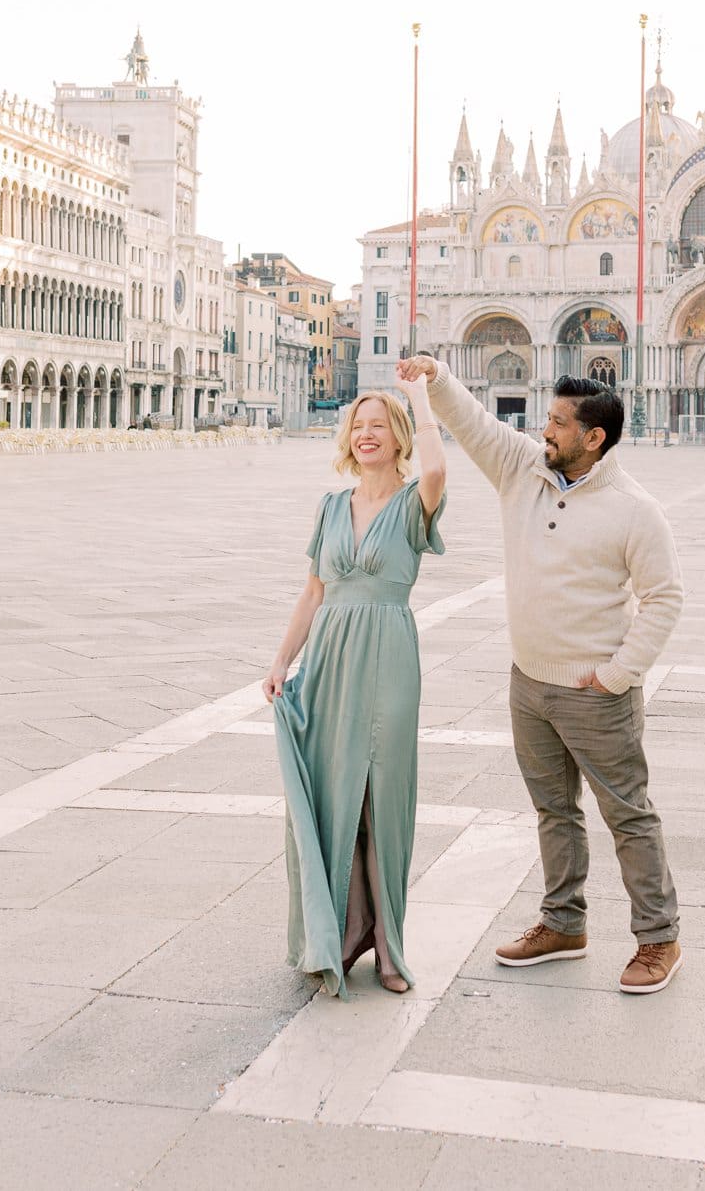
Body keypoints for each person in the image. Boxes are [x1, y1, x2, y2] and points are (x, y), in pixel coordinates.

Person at [397, 356, 684, 994]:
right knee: (553, 810)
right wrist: (437, 377)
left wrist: (618, 675)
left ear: (594, 438)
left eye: (556, 422)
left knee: (629, 816)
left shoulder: (636, 510)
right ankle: (563, 923)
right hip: (528, 683)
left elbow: (664, 597)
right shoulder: (522, 469)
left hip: (596, 695)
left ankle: (659, 939)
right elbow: (471, 424)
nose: (542, 429)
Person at [263, 380, 445, 997]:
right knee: (335, 798)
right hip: (329, 662)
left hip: (390, 652)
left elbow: (439, 461)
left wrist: (422, 396)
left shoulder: (419, 498)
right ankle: (345, 929)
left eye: (379, 424)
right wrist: (282, 661)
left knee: (382, 797)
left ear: (400, 437)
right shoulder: (330, 505)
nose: (366, 434)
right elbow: (314, 591)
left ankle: (389, 944)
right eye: (358, 425)